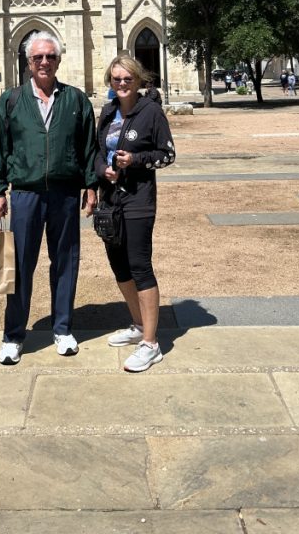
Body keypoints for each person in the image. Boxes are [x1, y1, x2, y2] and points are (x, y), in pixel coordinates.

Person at [0, 31, 98, 365]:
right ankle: (13, 336)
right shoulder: (11, 101)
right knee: (18, 266)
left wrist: (91, 186)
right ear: (29, 62)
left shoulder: (76, 101)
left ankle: (62, 329)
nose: (45, 62)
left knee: (65, 262)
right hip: (25, 194)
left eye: (50, 56)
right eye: (38, 58)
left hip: (64, 193)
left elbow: (88, 147)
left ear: (59, 59)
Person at [95, 53, 176, 372]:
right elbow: (97, 153)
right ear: (110, 83)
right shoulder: (107, 111)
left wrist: (136, 161)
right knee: (119, 266)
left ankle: (151, 344)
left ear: (138, 80)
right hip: (110, 199)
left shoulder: (151, 112)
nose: (122, 84)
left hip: (139, 199)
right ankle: (139, 325)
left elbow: (167, 155)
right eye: (116, 79)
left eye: (127, 78)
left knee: (140, 265)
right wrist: (104, 170)